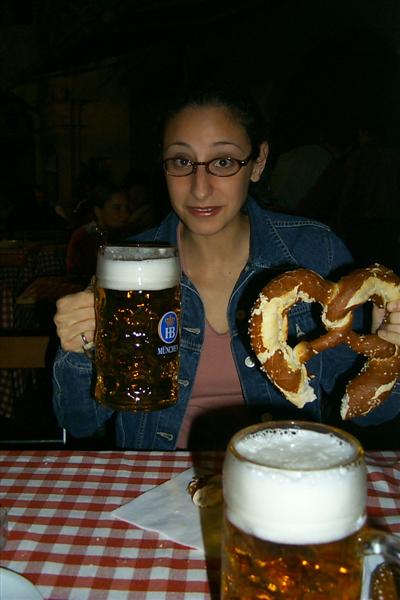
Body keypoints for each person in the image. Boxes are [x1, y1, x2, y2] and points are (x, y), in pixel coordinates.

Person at [52, 83, 400, 451]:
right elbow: (79, 422)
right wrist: (78, 350)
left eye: (223, 162)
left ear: (258, 163)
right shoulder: (126, 268)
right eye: (182, 162)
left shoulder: (316, 253)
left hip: (281, 475)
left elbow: (367, 414)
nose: (200, 189)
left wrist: (391, 353)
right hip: (156, 485)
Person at [66, 182, 130, 284]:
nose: (125, 214)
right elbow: (76, 276)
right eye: (117, 208)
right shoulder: (83, 236)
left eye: (127, 208)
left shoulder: (127, 234)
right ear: (98, 211)